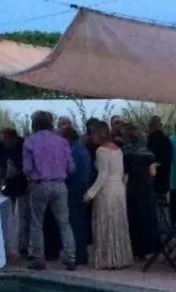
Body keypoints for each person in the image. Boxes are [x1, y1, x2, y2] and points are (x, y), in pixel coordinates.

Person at [22, 111, 76, 270]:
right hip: (60, 184)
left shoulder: (30, 142)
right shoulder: (61, 141)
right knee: (64, 222)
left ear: (35, 124)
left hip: (40, 184)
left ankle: (38, 257)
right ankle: (71, 257)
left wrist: (32, 178)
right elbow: (71, 167)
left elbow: (27, 168)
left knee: (37, 222)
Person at [85, 127, 131, 269]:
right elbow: (122, 173)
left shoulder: (101, 151)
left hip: (107, 191)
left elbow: (103, 175)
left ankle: (107, 259)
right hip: (119, 189)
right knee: (118, 223)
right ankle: (120, 257)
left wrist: (89, 194)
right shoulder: (118, 150)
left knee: (106, 223)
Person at [123, 135, 161, 258]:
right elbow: (153, 173)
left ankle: (135, 248)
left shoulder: (127, 154)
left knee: (134, 219)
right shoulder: (149, 155)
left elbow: (124, 172)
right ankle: (148, 248)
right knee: (147, 219)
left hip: (132, 188)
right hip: (145, 188)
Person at [64, 123, 93, 265]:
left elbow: (70, 171)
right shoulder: (84, 151)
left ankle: (75, 254)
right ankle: (82, 253)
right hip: (84, 188)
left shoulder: (71, 151)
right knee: (81, 222)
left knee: (73, 222)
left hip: (73, 189)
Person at [146, 116, 174, 203]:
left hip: (153, 180)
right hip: (164, 179)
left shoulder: (152, 140)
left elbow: (149, 158)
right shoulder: (167, 140)